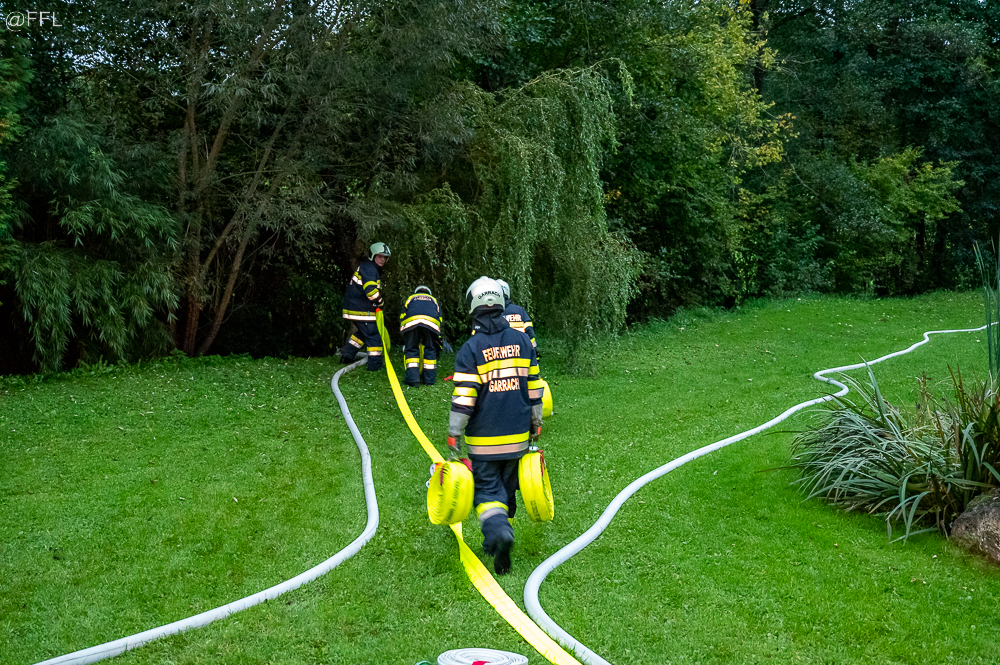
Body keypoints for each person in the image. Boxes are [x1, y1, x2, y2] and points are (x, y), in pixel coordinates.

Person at [447, 276, 543, 575]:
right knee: (508, 488)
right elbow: (534, 385)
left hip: (484, 441)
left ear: (473, 306)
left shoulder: (471, 349)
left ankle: (499, 533)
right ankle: (504, 531)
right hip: (518, 437)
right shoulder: (523, 342)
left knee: (488, 491)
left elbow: (465, 397)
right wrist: (536, 420)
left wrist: (454, 431)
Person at [340, 242, 390, 371]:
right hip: (361, 309)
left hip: (355, 307)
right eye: (380, 256)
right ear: (373, 256)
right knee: (374, 336)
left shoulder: (367, 267)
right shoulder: (370, 269)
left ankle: (347, 356)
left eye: (385, 257)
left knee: (362, 333)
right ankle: (375, 365)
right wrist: (380, 303)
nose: (382, 259)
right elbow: (371, 292)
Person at [399, 285, 442, 386]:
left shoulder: (410, 298)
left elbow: (402, 315)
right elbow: (439, 317)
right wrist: (438, 336)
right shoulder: (434, 300)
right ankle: (429, 380)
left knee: (411, 349)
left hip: (411, 323)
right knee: (430, 349)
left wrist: (405, 334)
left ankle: (413, 380)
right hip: (431, 324)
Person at [495, 279, 539, 359]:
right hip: (521, 355)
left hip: (498, 356)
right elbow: (530, 333)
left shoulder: (489, 313)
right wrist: (535, 354)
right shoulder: (520, 311)